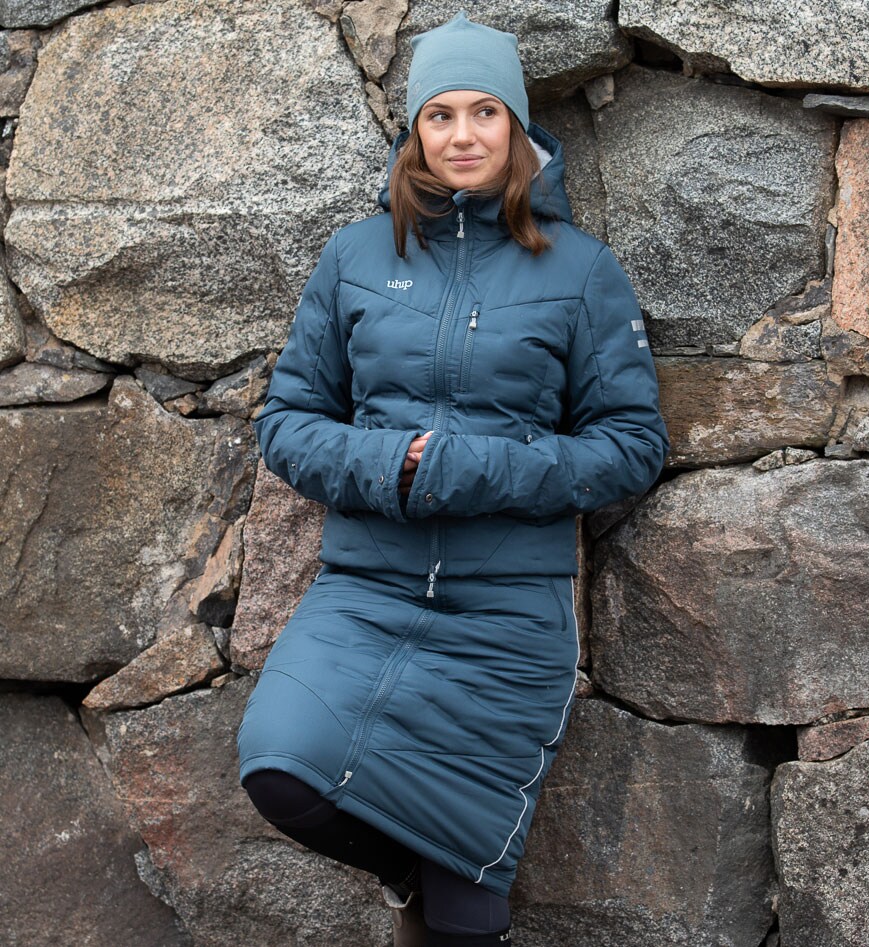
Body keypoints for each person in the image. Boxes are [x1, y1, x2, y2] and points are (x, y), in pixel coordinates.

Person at [236, 11, 670, 946]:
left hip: (507, 616)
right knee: (278, 768)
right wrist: (389, 463)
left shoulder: (582, 269)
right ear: (414, 130)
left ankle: (440, 897)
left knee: (468, 909)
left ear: (516, 126)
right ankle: (406, 872)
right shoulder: (355, 256)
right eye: (440, 114)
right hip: (365, 591)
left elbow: (632, 445)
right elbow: (286, 424)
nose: (462, 135)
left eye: (484, 112)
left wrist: (477, 468)